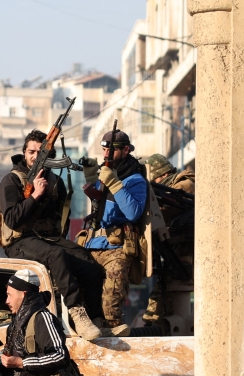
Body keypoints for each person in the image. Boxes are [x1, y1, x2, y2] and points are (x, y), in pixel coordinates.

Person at [0, 130, 104, 340]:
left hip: (48, 239)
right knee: (56, 256)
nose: (36, 156)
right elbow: (11, 219)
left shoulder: (55, 182)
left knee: (90, 265)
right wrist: (35, 195)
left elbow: (62, 218)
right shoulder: (12, 181)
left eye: (41, 152)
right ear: (24, 153)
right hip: (20, 241)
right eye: (31, 151)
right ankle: (77, 312)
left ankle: (98, 319)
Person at [81, 130, 148, 330]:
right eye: (103, 150)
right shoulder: (105, 174)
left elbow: (133, 212)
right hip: (93, 243)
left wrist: (115, 184)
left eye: (110, 150)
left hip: (117, 246)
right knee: (85, 304)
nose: (105, 155)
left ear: (126, 150)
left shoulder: (134, 179)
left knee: (110, 308)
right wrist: (92, 179)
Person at [141, 154, 195, 333]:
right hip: (175, 254)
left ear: (162, 175)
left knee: (171, 299)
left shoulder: (185, 184)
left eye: (154, 179)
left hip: (187, 256)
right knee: (160, 299)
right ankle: (151, 325)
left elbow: (165, 211)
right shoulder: (170, 188)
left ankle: (153, 327)